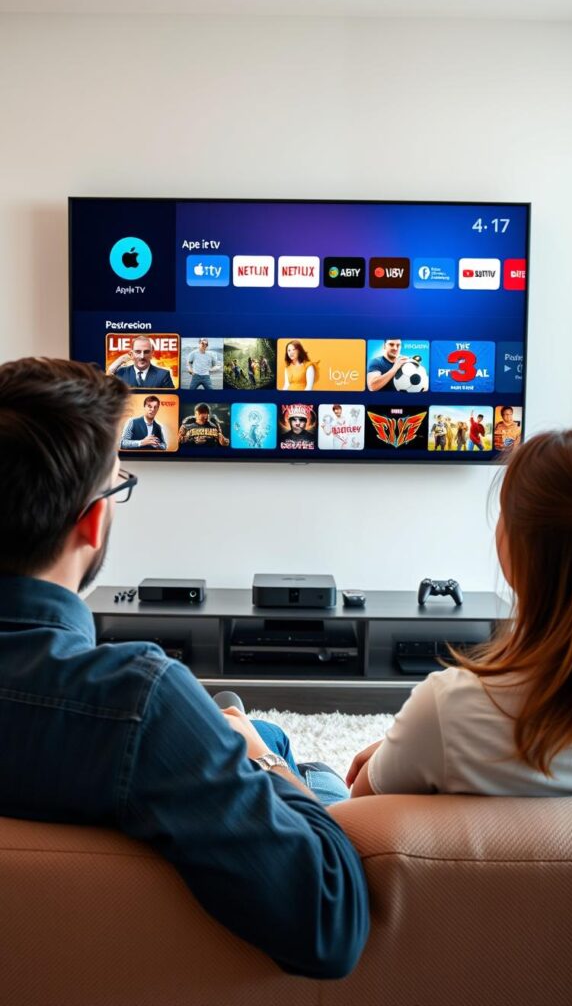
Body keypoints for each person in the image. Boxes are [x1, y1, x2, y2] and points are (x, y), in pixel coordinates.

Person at [0, 357, 368, 979]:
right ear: (92, 522)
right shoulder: (142, 700)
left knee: (234, 720)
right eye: (120, 483)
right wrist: (264, 760)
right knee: (290, 754)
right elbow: (331, 921)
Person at [347, 428, 572, 798]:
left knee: (271, 742)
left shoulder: (450, 708)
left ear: (514, 549)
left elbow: (345, 829)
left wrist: (267, 760)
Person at [108, 336, 175, 389]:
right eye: (138, 352)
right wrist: (121, 360)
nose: (142, 356)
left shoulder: (163, 375)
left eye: (146, 352)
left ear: (152, 354)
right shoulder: (120, 372)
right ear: (131, 354)